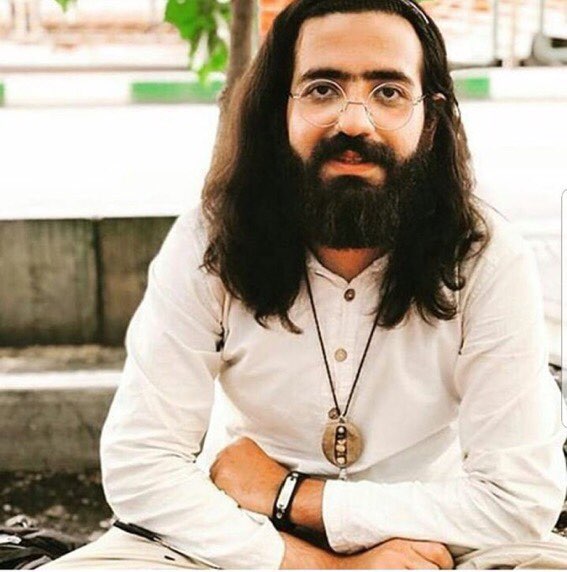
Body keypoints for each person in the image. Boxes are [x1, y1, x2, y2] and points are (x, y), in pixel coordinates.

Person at [42, 0, 567, 568]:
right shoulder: (211, 242)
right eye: (322, 89)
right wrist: (317, 565)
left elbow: (520, 500)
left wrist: (292, 496)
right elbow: (141, 465)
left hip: (431, 538)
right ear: (279, 112)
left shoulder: (484, 256)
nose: (354, 122)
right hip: (239, 538)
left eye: (389, 92)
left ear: (431, 121)